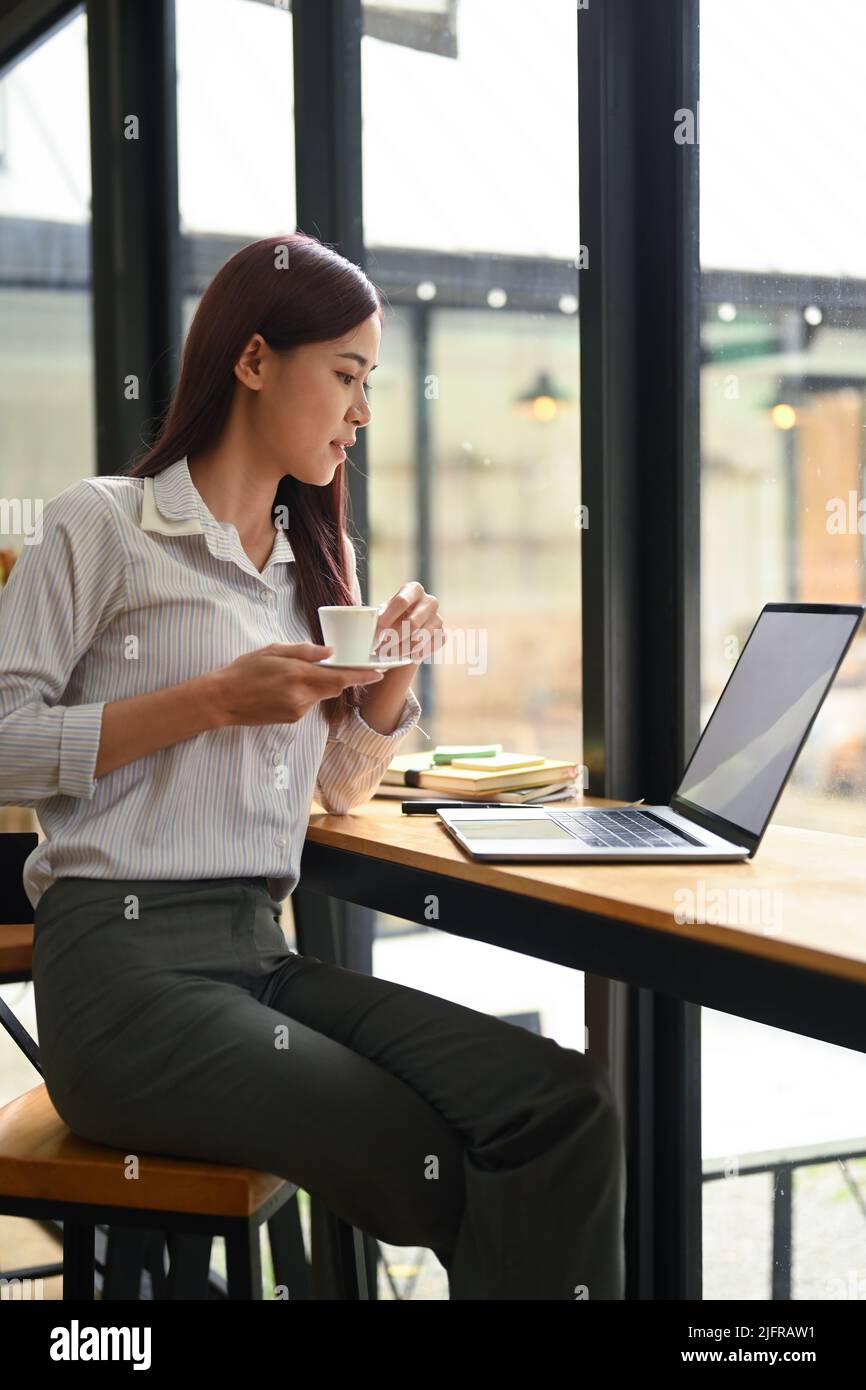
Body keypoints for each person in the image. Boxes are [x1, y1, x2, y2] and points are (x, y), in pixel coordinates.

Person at [0, 232, 625, 1299]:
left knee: (560, 1108)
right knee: (433, 1158)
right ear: (252, 362)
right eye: (345, 374)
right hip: (120, 979)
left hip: (257, 949)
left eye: (370, 381)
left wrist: (384, 682)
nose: (362, 410)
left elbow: (336, 790)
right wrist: (212, 700)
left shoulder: (303, 576)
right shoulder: (101, 523)